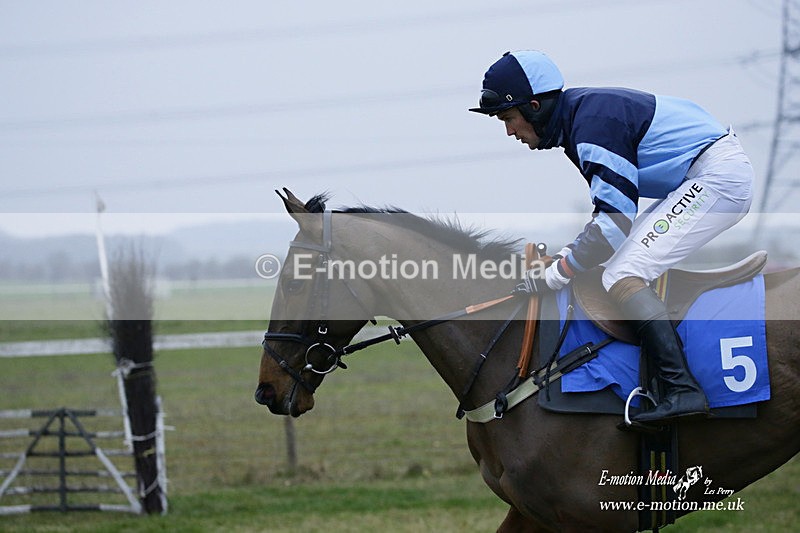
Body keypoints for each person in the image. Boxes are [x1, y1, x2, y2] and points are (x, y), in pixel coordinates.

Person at [469, 50, 754, 425]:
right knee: (616, 267)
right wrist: (569, 257)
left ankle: (683, 389)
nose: (509, 131)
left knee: (622, 273)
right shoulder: (578, 119)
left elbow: (613, 224)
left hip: (717, 177)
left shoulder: (590, 125)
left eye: (509, 118)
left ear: (534, 107)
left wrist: (558, 273)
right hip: (700, 174)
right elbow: (608, 215)